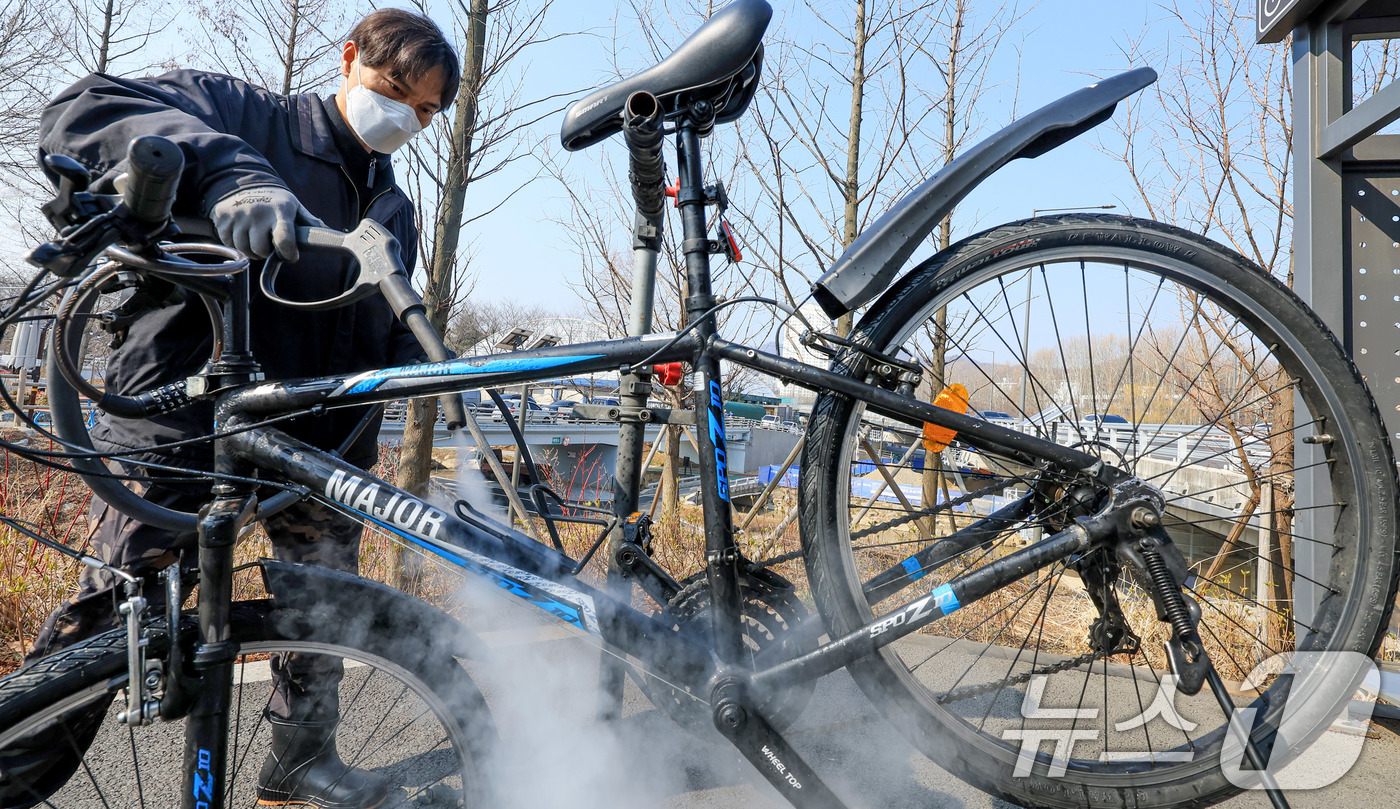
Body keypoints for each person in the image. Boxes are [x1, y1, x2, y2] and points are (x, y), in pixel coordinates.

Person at [25, 9, 460, 808]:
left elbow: (372, 320)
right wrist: (231, 173)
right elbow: (82, 107)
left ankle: (301, 759)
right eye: (395, 90)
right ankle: (17, 768)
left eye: (427, 112)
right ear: (348, 57)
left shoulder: (391, 206)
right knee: (113, 616)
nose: (406, 118)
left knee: (325, 616)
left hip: (317, 452)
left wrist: (423, 361)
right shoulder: (236, 113)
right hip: (187, 430)